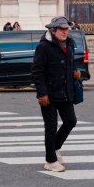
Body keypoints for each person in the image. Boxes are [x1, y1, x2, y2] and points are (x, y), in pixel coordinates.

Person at [31, 16, 81, 172]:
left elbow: (71, 62)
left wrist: (75, 71)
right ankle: (50, 160)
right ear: (53, 30)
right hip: (49, 94)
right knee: (51, 127)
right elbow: (36, 72)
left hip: (65, 91)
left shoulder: (70, 43)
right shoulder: (44, 47)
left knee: (71, 121)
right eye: (62, 29)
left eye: (66, 29)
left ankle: (55, 147)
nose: (65, 32)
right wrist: (42, 93)